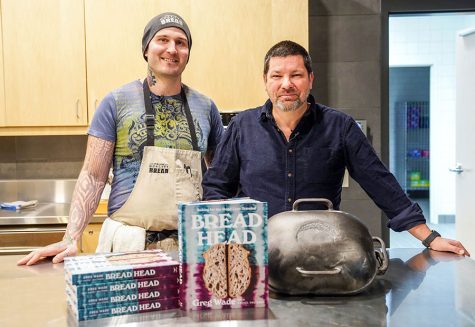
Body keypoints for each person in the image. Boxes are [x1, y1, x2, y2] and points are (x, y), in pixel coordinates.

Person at [202, 40, 469, 256]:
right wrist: (219, 243)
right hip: (256, 253)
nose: (287, 84)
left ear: (310, 79)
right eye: (277, 76)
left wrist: (430, 237)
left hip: (321, 252)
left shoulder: (339, 126)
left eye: (296, 75)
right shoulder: (242, 126)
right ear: (265, 80)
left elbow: (379, 181)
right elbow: (216, 187)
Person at [18, 12, 224, 266]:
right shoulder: (117, 102)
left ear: (188, 53)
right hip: (129, 245)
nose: (172, 49)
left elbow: (219, 175)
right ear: (146, 49)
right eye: (163, 40)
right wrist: (71, 237)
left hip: (192, 246)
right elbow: (94, 176)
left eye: (181, 43)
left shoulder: (206, 107)